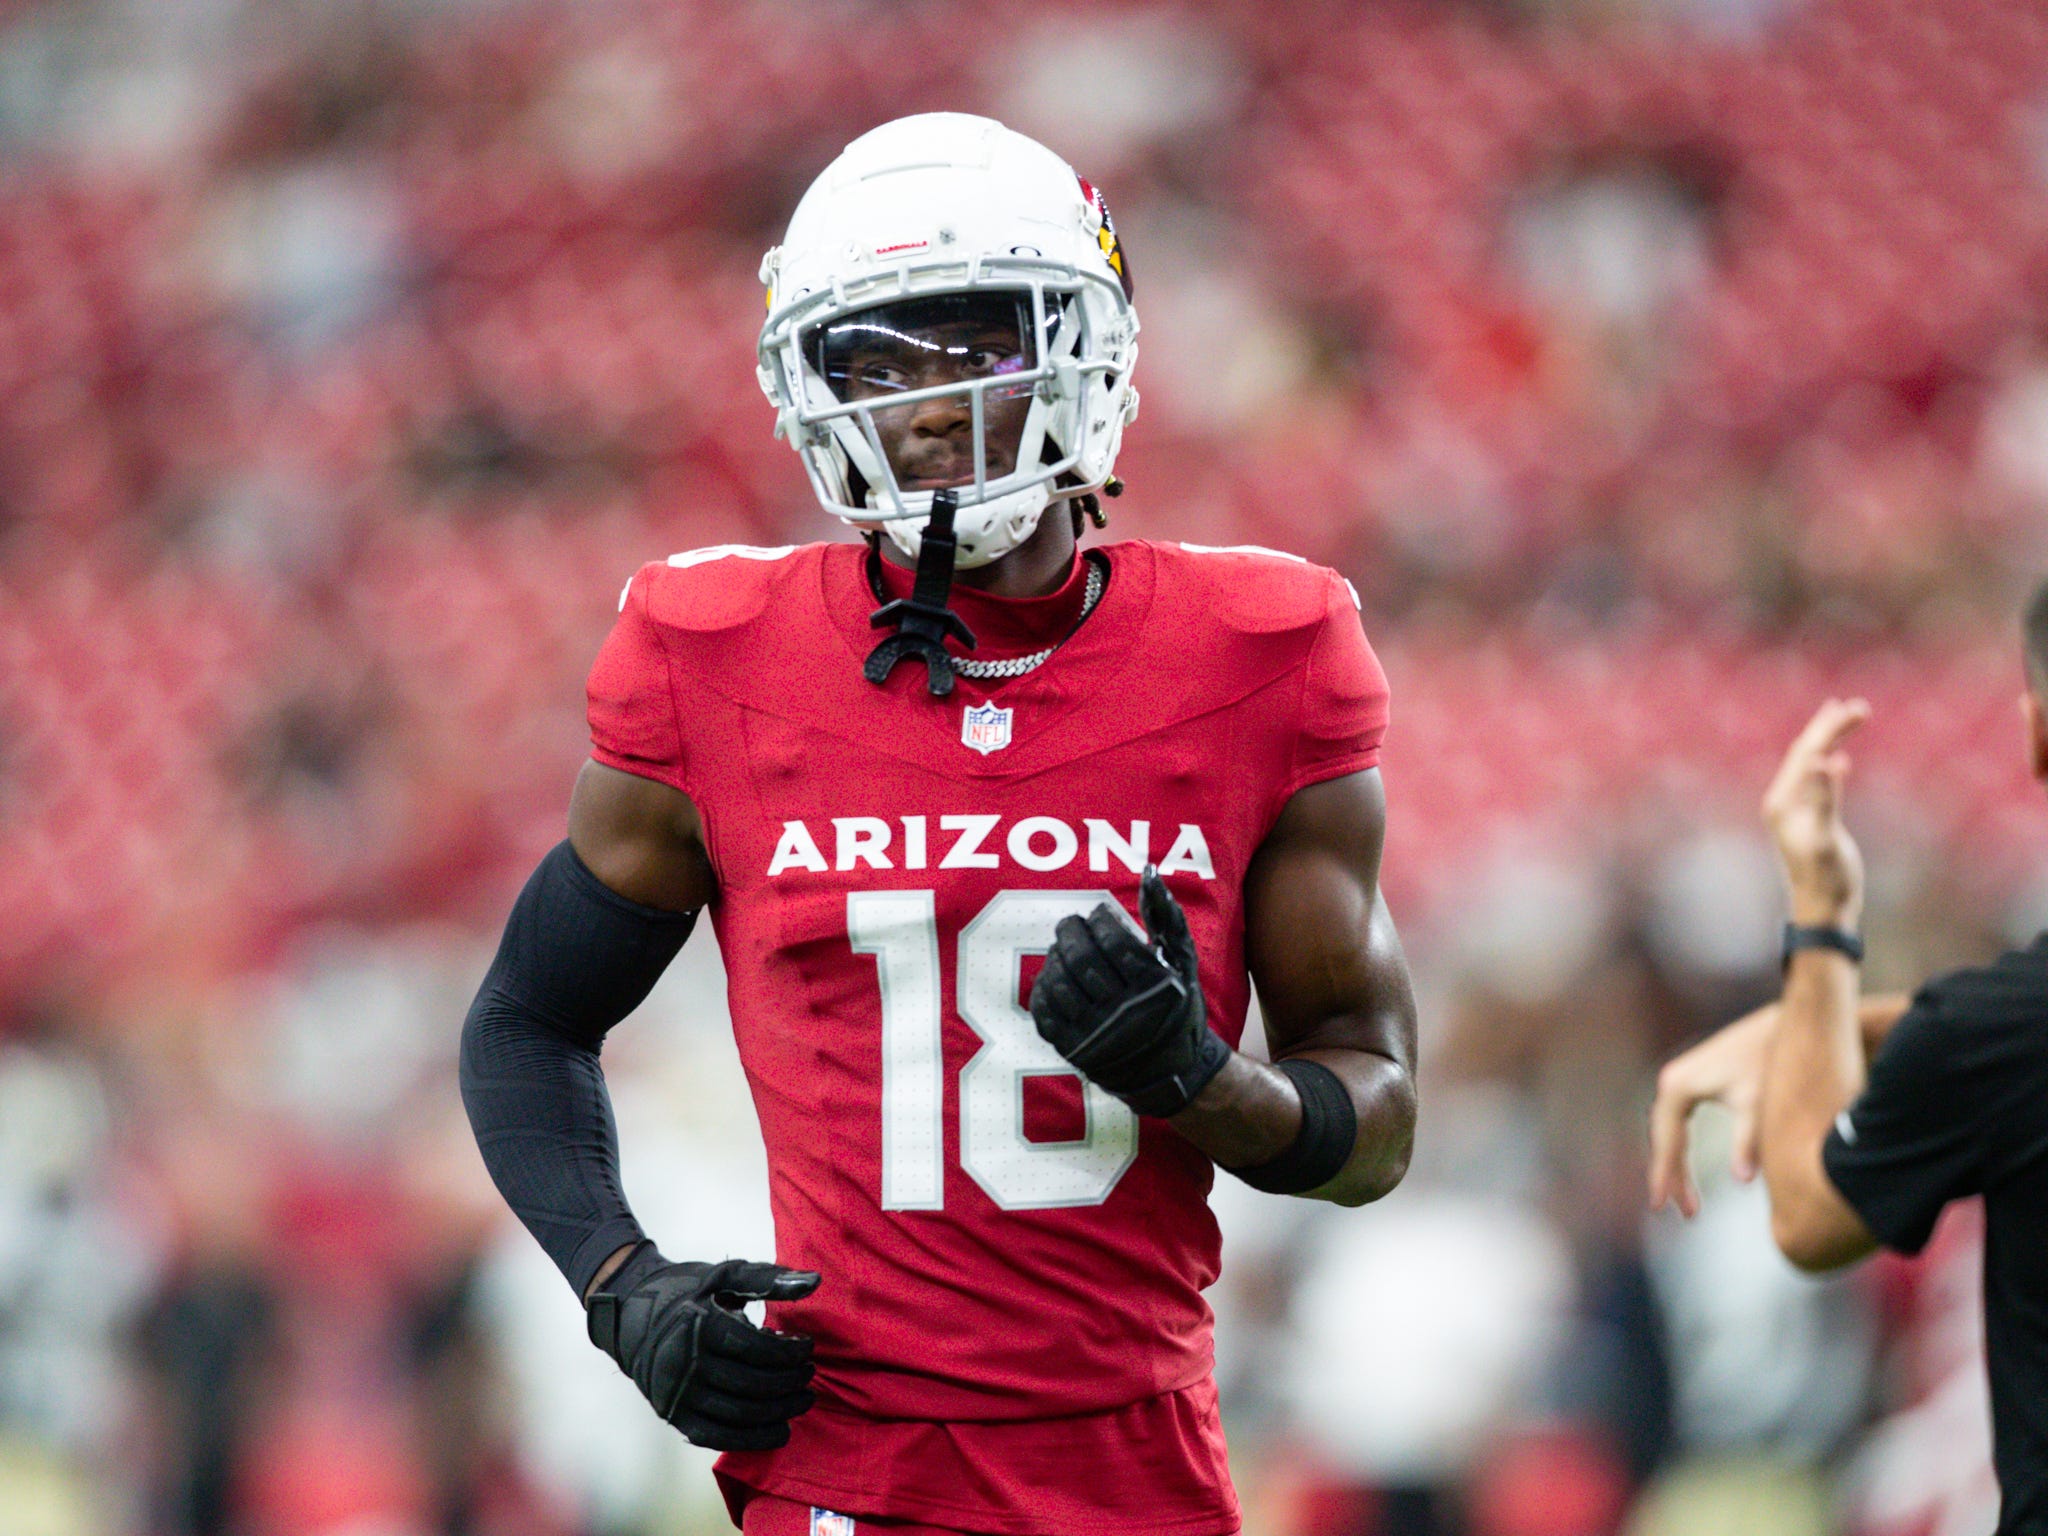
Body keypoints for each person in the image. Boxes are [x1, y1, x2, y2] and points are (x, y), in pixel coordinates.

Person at [459, 112, 1419, 1536]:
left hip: (1144, 1466)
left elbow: (1376, 1129)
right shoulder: (708, 657)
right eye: (877, 360)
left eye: (970, 343)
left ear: (1083, 348)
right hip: (852, 1469)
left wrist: (1206, 1083)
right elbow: (527, 1025)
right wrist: (622, 1284)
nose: (920, 401)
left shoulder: (1259, 656)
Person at [1649, 588, 2048, 1536]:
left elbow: (1810, 1214)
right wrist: (1864, 1028)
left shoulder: (1991, 1034)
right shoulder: (1990, 1034)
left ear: (2037, 733)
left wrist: (1822, 923)